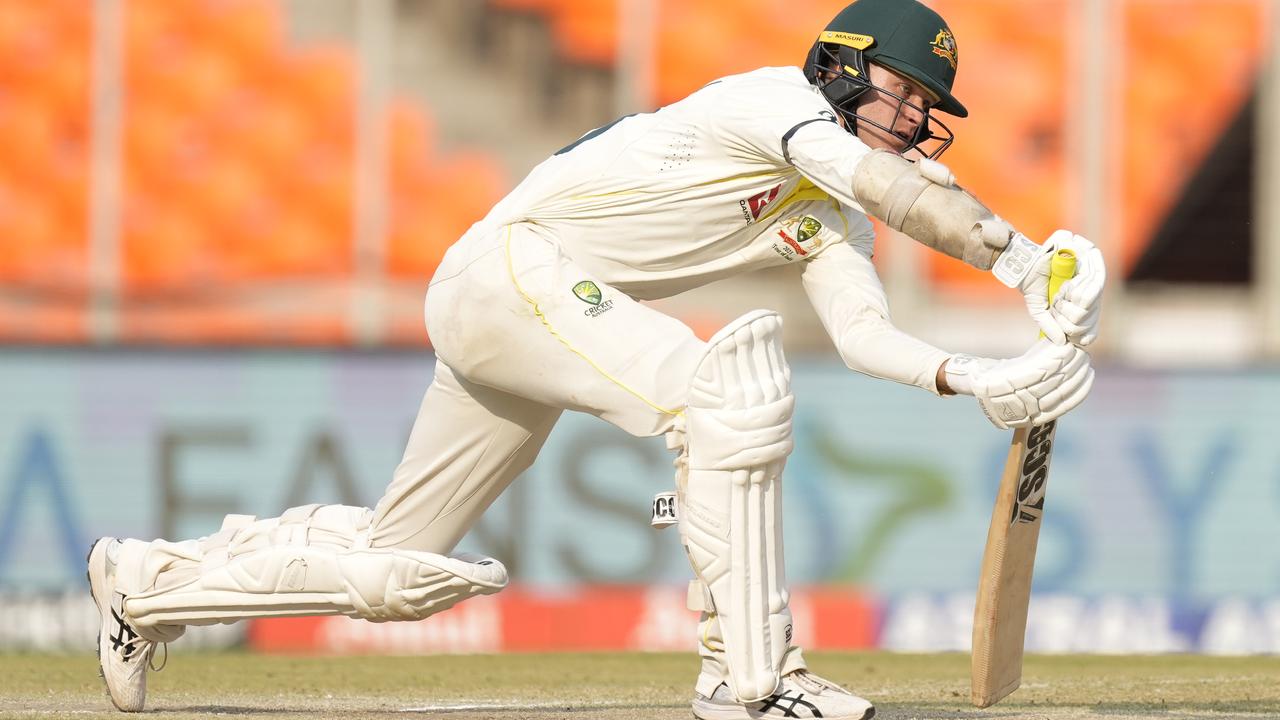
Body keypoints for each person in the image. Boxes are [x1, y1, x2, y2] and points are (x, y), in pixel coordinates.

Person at [87, 0, 1104, 717]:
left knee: (392, 567)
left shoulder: (828, 211)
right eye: (904, 92)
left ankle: (145, 587)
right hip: (512, 270)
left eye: (927, 107)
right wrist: (1023, 263)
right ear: (841, 65)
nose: (915, 120)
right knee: (723, 396)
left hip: (521, 303)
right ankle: (749, 679)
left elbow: (862, 337)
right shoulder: (771, 104)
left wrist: (977, 376)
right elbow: (901, 192)